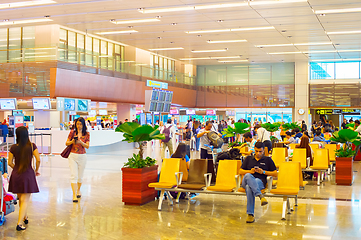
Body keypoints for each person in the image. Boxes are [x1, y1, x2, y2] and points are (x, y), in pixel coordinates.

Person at [8, 126, 41, 231]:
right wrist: (35, 170)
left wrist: (16, 168)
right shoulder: (32, 146)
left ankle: (25, 217)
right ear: (27, 134)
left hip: (16, 175)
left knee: (21, 198)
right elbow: (38, 160)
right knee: (25, 200)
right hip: (28, 175)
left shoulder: (13, 147)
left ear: (17, 135)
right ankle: (19, 223)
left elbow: (9, 163)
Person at [239, 142, 277, 223]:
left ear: (264, 151)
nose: (258, 153)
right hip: (246, 180)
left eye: (260, 151)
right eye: (256, 151)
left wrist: (263, 172)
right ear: (254, 150)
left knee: (249, 187)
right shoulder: (248, 158)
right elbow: (240, 171)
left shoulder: (268, 160)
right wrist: (250, 171)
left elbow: (275, 173)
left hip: (259, 182)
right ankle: (260, 195)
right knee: (248, 175)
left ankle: (250, 215)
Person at [65, 117, 90, 203]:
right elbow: (66, 143)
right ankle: (74, 194)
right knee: (74, 175)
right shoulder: (72, 132)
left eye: (80, 124)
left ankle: (78, 189)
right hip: (73, 155)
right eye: (77, 124)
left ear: (83, 125)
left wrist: (81, 142)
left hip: (82, 156)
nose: (79, 126)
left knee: (80, 176)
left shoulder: (87, 134)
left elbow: (87, 146)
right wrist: (72, 141)